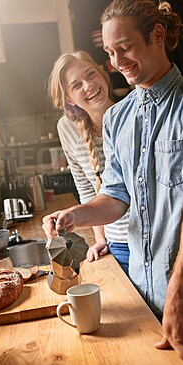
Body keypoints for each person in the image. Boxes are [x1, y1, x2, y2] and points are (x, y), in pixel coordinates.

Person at [43, 0, 183, 365]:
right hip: (140, 293)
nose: (117, 63)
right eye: (110, 53)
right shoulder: (118, 118)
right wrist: (76, 215)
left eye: (125, 48)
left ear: (158, 35)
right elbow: (116, 197)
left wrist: (180, 296)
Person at [47, 50, 130, 274]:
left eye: (91, 74)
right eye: (76, 85)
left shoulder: (132, 114)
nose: (89, 85)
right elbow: (86, 189)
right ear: (68, 99)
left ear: (102, 75)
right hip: (117, 243)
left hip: (153, 243)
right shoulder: (67, 128)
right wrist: (101, 238)